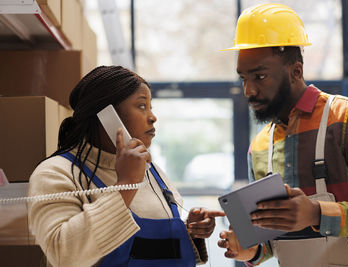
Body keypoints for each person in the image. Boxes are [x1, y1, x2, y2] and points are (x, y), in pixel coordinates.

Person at [217, 3, 348, 267]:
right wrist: (245, 250)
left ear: (296, 72)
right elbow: (269, 243)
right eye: (243, 78)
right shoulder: (259, 148)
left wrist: (316, 214)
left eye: (259, 76)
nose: (249, 91)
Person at [28, 65, 225, 267]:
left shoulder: (152, 171)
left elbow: (150, 251)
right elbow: (63, 255)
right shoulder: (56, 173)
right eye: (141, 106)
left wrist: (190, 233)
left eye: (151, 107)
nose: (152, 116)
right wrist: (126, 184)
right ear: (106, 115)